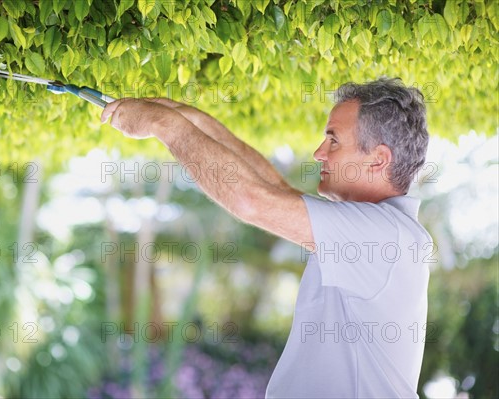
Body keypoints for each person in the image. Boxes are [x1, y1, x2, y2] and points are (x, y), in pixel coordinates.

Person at [101, 78, 433, 398]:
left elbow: (252, 200)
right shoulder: (378, 231)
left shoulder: (384, 235)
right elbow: (276, 190)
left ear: (378, 159)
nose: (319, 153)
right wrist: (188, 117)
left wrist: (163, 124)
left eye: (333, 140)